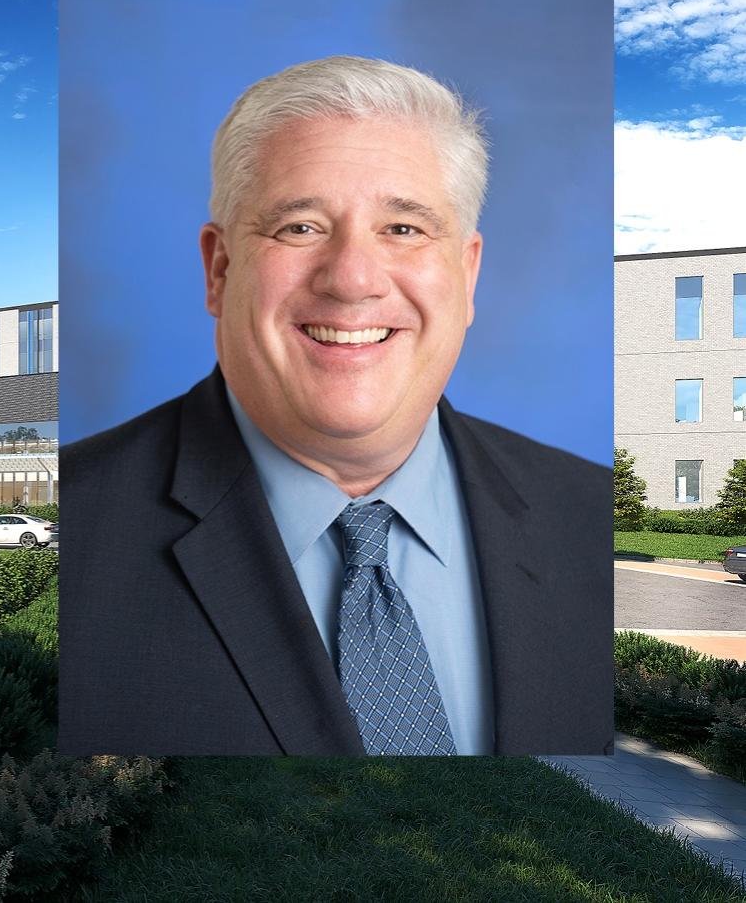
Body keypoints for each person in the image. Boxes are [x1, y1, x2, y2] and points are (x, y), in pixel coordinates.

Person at [59, 56, 612, 758]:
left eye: (404, 229)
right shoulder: (70, 539)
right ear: (219, 269)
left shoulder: (590, 520)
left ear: (467, 274)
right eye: (300, 226)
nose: (352, 279)